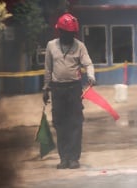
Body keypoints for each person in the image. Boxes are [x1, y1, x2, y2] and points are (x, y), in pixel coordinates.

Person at [42, 13, 96, 169]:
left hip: (74, 89)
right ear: (60, 32)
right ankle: (63, 158)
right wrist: (46, 89)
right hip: (57, 90)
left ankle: (74, 158)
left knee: (75, 124)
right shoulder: (51, 45)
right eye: (67, 33)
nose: (69, 36)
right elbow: (48, 69)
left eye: (72, 34)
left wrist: (91, 76)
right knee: (60, 124)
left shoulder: (79, 46)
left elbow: (89, 64)